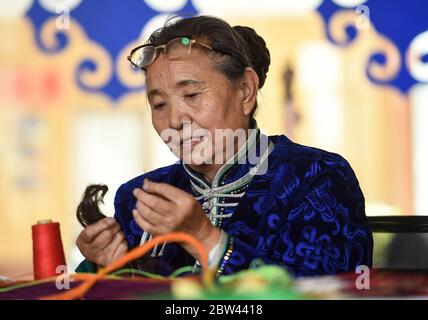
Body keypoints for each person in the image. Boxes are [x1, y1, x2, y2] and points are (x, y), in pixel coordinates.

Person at [75, 15, 373, 277]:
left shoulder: (317, 178)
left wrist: (204, 238)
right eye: (159, 103)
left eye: (191, 95)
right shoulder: (138, 199)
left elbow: (328, 290)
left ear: (245, 91)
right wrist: (109, 271)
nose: (175, 119)